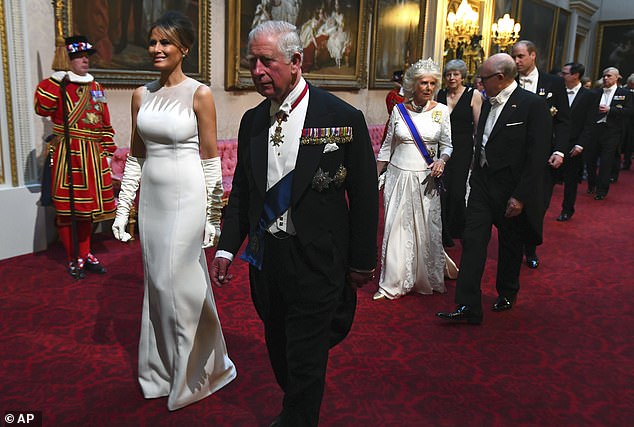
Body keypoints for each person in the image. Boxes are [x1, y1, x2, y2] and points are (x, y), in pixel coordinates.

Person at [210, 20, 378, 427]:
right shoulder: (252, 121)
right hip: (268, 260)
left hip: (318, 258)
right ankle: (297, 402)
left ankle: (298, 418)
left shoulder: (340, 116)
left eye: (267, 62)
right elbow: (245, 195)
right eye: (252, 62)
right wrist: (227, 247)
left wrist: (361, 261)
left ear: (297, 61)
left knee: (306, 354)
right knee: (279, 345)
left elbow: (365, 194)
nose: (257, 71)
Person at [111, 11, 236, 410]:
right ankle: (161, 370)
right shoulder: (140, 95)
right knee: (157, 284)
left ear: (184, 48)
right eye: (152, 42)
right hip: (153, 202)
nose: (156, 49)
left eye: (165, 42)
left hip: (188, 197)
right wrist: (122, 208)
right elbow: (136, 155)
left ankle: (196, 374)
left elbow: (211, 159)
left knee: (177, 284)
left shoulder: (199, 94)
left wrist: (215, 216)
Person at [436, 53, 551, 324]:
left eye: (483, 78)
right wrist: (475, 176)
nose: (479, 83)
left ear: (500, 78)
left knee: (510, 245)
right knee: (473, 241)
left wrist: (520, 196)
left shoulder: (532, 105)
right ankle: (467, 306)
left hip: (512, 189)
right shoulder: (487, 101)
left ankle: (507, 291)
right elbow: (482, 139)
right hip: (483, 185)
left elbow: (537, 157)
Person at [34, 35, 116, 278]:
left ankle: (85, 252)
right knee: (68, 210)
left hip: (93, 155)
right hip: (68, 155)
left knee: (87, 210)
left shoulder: (96, 88)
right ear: (66, 59)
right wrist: (55, 80)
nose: (84, 60)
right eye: (78, 56)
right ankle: (74, 256)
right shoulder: (57, 86)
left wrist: (108, 152)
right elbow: (42, 108)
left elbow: (105, 123)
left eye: (86, 56)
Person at [374, 58, 455, 301]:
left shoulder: (442, 111)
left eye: (432, 83)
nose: (429, 87)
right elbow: (387, 147)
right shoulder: (399, 110)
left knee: (425, 229)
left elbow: (448, 145)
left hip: (426, 179)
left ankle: (425, 277)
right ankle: (392, 282)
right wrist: (375, 176)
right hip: (398, 176)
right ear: (413, 85)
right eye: (423, 83)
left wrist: (442, 160)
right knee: (395, 228)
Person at [511, 40, 570, 269]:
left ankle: (530, 247)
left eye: (521, 56)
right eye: (514, 56)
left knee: (538, 204)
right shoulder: (509, 81)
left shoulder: (554, 83)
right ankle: (514, 246)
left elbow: (564, 120)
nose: (516, 61)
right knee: (513, 202)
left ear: (533, 56)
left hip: (544, 157)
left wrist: (560, 150)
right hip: (515, 155)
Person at [436, 59, 483, 246]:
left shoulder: (474, 94)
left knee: (457, 190)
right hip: (441, 148)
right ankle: (443, 232)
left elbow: (478, 127)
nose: (451, 77)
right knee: (442, 191)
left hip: (463, 148)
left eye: (455, 74)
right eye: (448, 74)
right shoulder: (440, 94)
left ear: (463, 76)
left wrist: (478, 152)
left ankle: (459, 229)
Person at [556, 62, 600, 221]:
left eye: (565, 73)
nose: (562, 76)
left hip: (574, 143)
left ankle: (567, 209)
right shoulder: (557, 91)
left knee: (570, 181)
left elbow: (590, 123)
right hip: (555, 142)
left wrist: (580, 144)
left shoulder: (589, 96)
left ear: (575, 75)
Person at [585, 66, 633, 199]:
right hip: (595, 130)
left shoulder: (625, 94)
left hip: (612, 131)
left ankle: (602, 190)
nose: (606, 78)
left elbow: (629, 111)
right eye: (604, 76)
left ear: (617, 78)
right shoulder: (595, 93)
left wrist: (610, 110)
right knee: (591, 159)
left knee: (606, 161)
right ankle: (591, 184)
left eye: (609, 76)